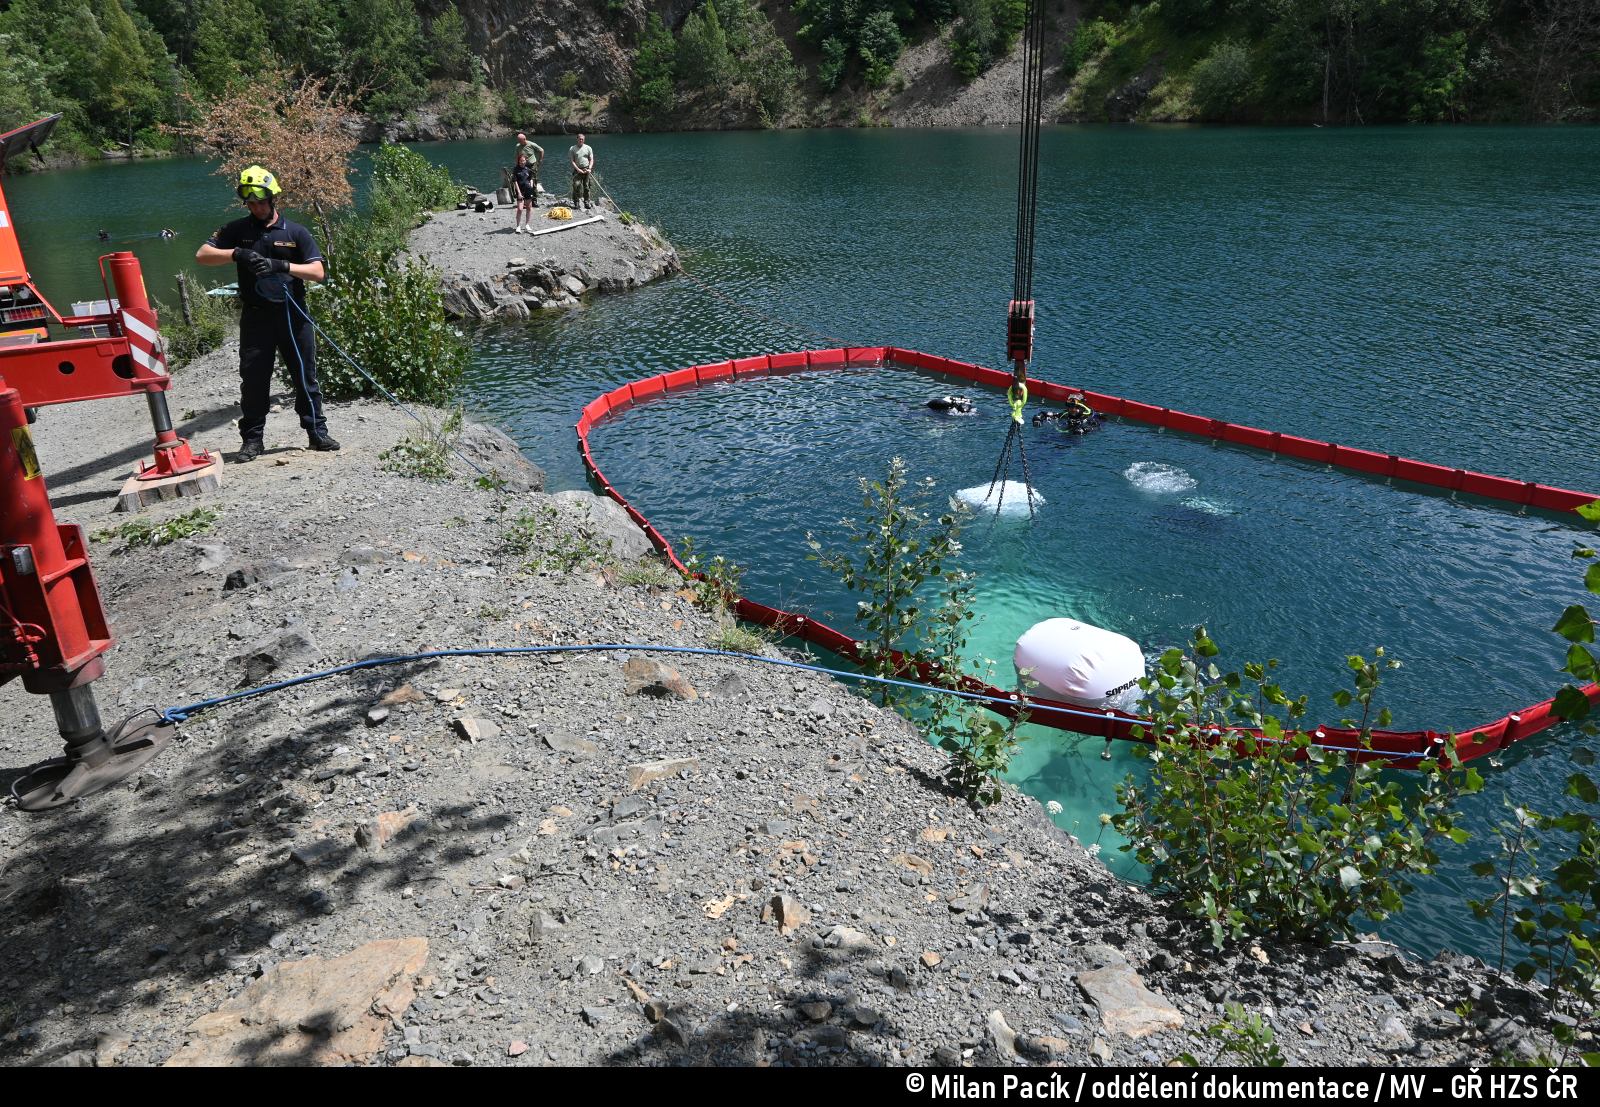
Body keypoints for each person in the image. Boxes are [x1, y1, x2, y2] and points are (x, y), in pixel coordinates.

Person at [195, 165, 337, 462]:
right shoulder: (236, 230)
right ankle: (252, 440)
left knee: (304, 376)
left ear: (274, 199)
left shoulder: (295, 231)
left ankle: (316, 433)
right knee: (254, 380)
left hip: (293, 316)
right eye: (250, 203)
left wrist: (281, 266)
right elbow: (203, 255)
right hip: (256, 317)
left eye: (261, 202)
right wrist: (237, 253)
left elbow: (318, 272)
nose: (256, 208)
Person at [569, 132, 595, 211]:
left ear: (584, 140)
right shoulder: (572, 148)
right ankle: (576, 202)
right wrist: (578, 169)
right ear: (577, 139)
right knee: (576, 185)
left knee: (586, 187)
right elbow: (572, 161)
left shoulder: (588, 148)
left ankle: (586, 202)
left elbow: (591, 159)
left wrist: (590, 168)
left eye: (582, 139)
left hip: (587, 169)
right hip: (577, 170)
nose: (581, 140)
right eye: (579, 139)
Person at [514, 132, 543, 203]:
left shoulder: (531, 144)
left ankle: (534, 200)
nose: (519, 142)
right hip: (522, 166)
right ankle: (522, 200)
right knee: (522, 182)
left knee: (533, 182)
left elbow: (541, 150)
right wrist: (517, 165)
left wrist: (539, 161)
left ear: (524, 139)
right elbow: (516, 156)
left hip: (532, 166)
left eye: (520, 140)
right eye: (518, 140)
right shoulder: (518, 146)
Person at [510, 154, 536, 233]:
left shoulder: (528, 169)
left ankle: (527, 225)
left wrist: (531, 186)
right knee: (520, 209)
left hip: (528, 190)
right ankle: (518, 226)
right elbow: (515, 182)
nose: (522, 162)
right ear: (518, 161)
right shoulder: (516, 170)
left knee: (528, 207)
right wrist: (518, 192)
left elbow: (531, 179)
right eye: (520, 161)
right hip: (520, 191)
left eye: (523, 161)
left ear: (526, 161)